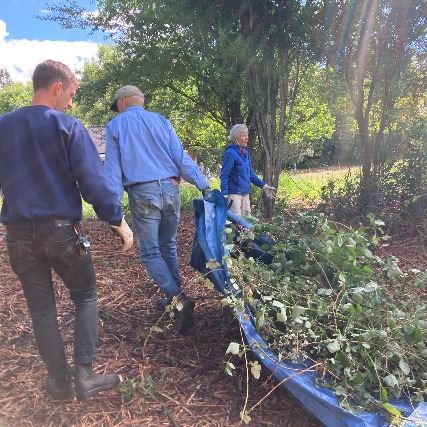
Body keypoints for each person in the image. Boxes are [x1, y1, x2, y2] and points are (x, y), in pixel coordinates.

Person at [0, 60, 133, 401]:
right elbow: (94, 185)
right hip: (61, 232)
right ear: (57, 87)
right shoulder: (67, 127)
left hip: (17, 235)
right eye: (71, 94)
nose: (72, 103)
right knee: (85, 296)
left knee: (41, 309)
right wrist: (117, 221)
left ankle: (60, 383)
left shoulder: (3, 127)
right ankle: (85, 376)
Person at [104, 85, 209, 335]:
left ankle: (178, 299)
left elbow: (113, 171)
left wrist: (112, 208)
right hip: (171, 190)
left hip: (143, 193)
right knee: (168, 246)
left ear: (123, 102)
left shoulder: (116, 126)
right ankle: (174, 298)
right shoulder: (161, 121)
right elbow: (181, 157)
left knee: (150, 252)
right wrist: (203, 185)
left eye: (116, 104)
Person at [220, 124, 276, 216]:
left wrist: (264, 186)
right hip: (234, 194)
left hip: (245, 193)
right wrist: (224, 194)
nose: (246, 138)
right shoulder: (230, 153)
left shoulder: (245, 152)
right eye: (243, 135)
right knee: (236, 225)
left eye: (247, 135)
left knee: (247, 222)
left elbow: (251, 174)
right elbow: (224, 175)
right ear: (235, 138)